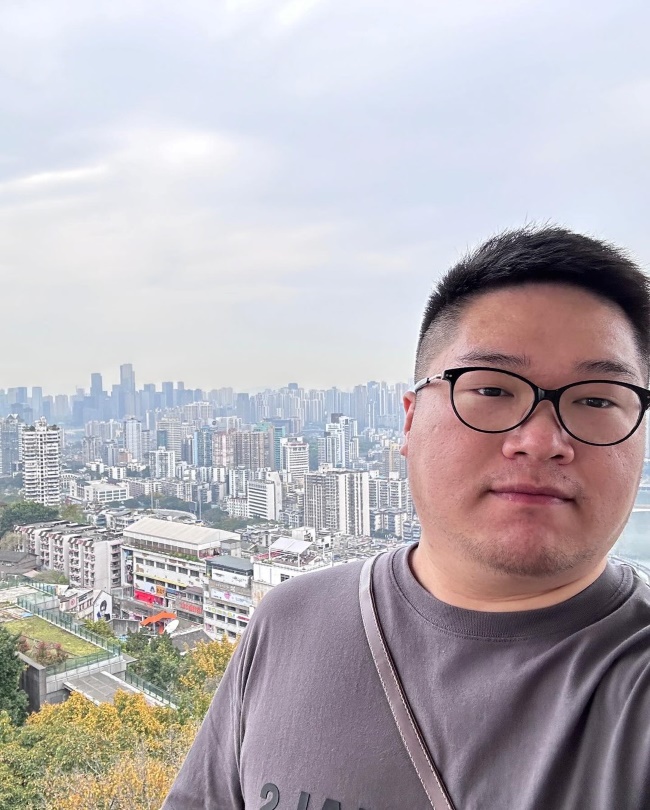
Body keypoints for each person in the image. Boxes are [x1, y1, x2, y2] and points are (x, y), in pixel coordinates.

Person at [161, 226, 650, 810]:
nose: (541, 441)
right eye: (492, 390)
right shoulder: (288, 622)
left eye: (597, 399)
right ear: (410, 420)